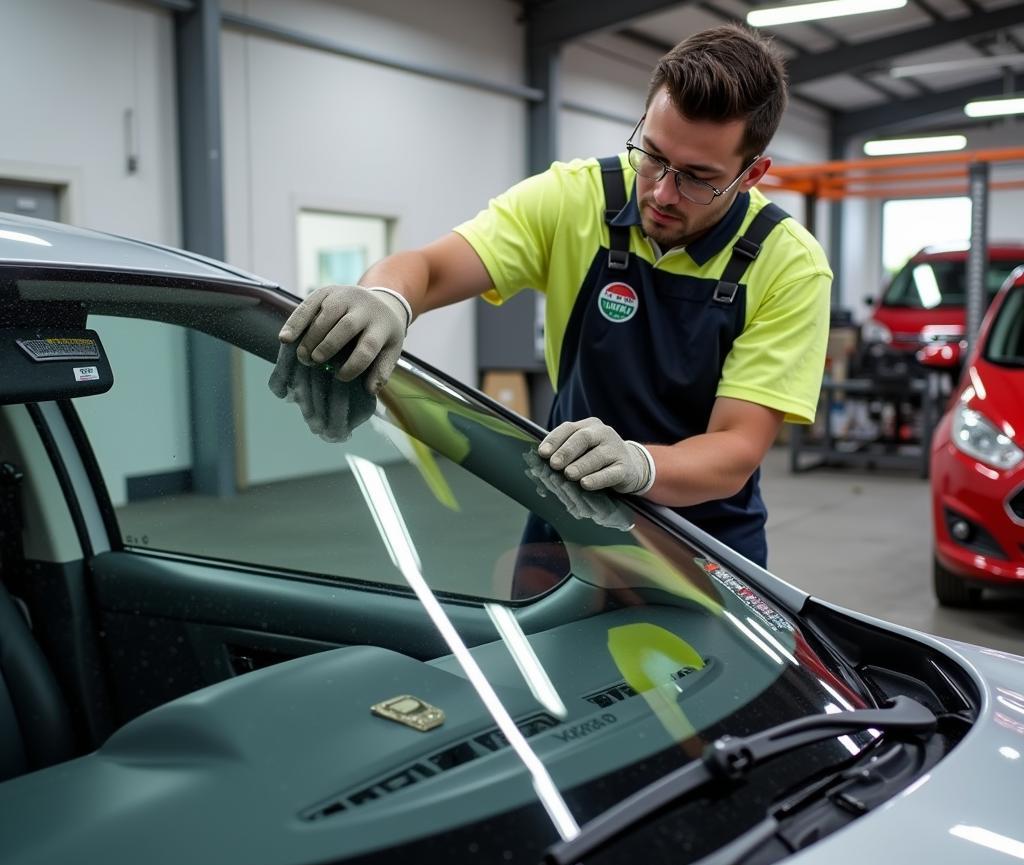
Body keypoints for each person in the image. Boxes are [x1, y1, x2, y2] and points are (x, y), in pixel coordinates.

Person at [278, 24, 832, 567]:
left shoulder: (789, 266)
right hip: (566, 520)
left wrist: (639, 465)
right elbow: (428, 267)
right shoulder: (576, 197)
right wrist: (385, 297)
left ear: (752, 173)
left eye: (697, 177)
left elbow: (735, 449)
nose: (662, 192)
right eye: (654, 156)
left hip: (706, 547)